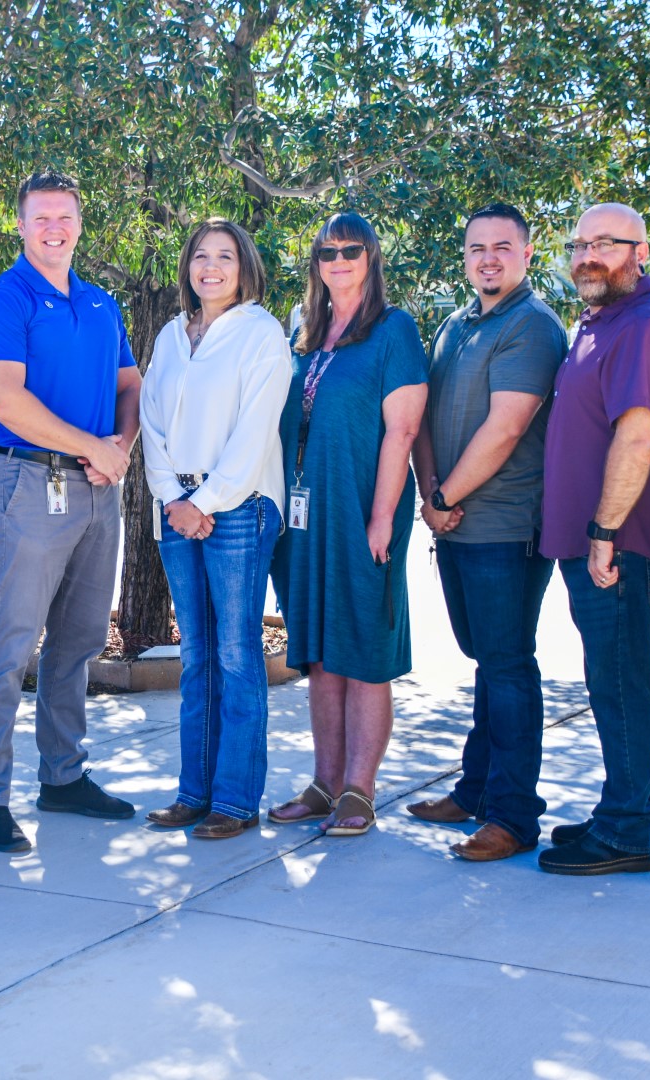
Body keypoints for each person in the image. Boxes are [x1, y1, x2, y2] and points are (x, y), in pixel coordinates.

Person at [0, 170, 142, 853]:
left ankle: (63, 778)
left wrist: (117, 448)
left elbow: (130, 384)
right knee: (9, 646)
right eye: (41, 217)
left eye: (64, 216)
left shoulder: (101, 305)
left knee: (77, 643)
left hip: (98, 488)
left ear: (79, 223)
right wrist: (93, 446)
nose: (54, 228)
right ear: (20, 224)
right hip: (29, 486)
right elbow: (6, 403)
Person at [407, 203, 566, 861]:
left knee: (507, 665)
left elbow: (505, 430)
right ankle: (475, 789)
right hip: (454, 525)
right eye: (477, 248)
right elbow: (422, 415)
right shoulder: (456, 323)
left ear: (528, 254)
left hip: (505, 528)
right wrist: (430, 497)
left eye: (503, 247)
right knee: (487, 660)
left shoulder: (531, 327)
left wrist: (443, 496)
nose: (489, 259)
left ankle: (513, 815)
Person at [537, 202, 650, 876]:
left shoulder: (647, 327)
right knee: (614, 679)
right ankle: (627, 812)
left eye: (607, 243)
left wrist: (604, 529)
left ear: (642, 252)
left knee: (621, 681)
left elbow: (639, 433)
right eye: (579, 244)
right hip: (595, 542)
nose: (588, 255)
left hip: (619, 545)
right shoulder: (605, 321)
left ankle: (627, 831)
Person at [267, 212, 428, 838]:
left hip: (362, 510)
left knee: (363, 651)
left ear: (371, 258)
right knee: (321, 655)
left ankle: (359, 789)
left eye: (351, 250)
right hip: (305, 518)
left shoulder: (394, 330)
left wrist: (383, 515)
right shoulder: (306, 334)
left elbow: (403, 429)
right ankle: (323, 782)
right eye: (327, 251)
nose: (338, 260)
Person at [140, 219, 290, 840]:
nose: (211, 267)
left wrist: (208, 501)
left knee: (234, 653)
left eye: (224, 256)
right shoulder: (173, 335)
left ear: (244, 266)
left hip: (241, 505)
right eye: (200, 256)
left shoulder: (261, 333)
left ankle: (234, 799)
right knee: (197, 655)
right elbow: (151, 420)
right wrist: (176, 498)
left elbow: (257, 430)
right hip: (177, 508)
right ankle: (193, 793)